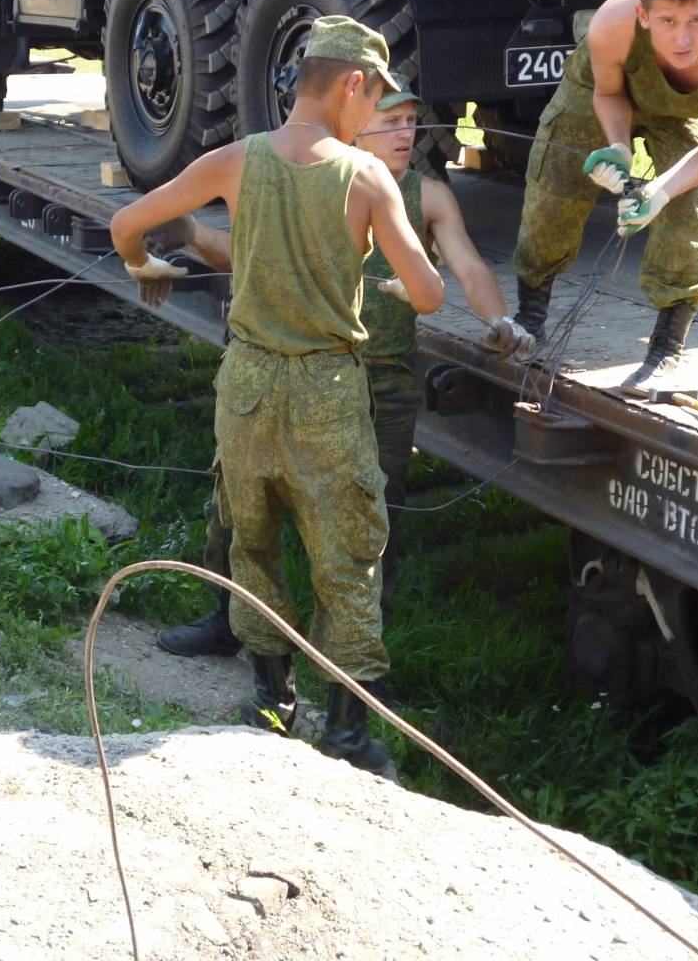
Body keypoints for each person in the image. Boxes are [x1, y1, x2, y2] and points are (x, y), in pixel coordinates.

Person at [111, 17, 444, 777]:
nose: (377, 118)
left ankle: (270, 708)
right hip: (329, 388)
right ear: (352, 85)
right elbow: (426, 294)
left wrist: (146, 270)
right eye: (377, 100)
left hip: (249, 383)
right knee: (348, 560)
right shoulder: (367, 179)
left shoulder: (236, 161)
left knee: (252, 542)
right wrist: (386, 278)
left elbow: (128, 224)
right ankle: (349, 735)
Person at [157, 75, 530, 659]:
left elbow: (468, 265)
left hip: (382, 380)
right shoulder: (318, 178)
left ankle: (358, 654)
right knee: (237, 510)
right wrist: (196, 237)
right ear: (353, 117)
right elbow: (250, 259)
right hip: (309, 371)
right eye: (390, 119)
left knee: (371, 519)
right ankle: (229, 620)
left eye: (411, 119)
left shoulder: (426, 195)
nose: (405, 131)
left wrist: (500, 319)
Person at [512, 0, 698, 391]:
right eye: (667, 21)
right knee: (554, 190)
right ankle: (531, 316)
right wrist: (619, 152)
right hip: (597, 93)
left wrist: (659, 192)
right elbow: (609, 96)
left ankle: (666, 349)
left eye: (696, 21)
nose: (683, 39)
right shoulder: (612, 24)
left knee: (686, 213)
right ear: (644, 16)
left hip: (677, 113)